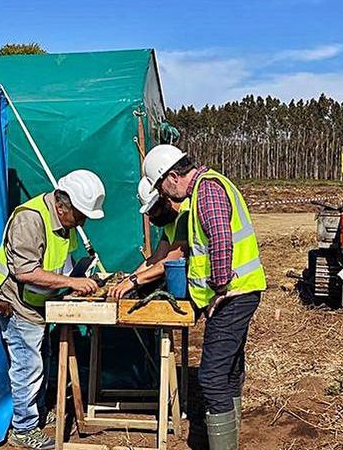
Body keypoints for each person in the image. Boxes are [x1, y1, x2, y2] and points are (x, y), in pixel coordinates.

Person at [143, 144, 266, 450]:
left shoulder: (207, 190)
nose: (166, 196)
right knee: (229, 369)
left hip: (232, 295)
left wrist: (219, 288)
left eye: (162, 187)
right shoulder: (207, 188)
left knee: (211, 377)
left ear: (173, 176)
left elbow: (221, 240)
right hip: (242, 291)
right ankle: (231, 436)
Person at [0, 170, 106, 450]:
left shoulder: (65, 222)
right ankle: (24, 428)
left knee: (42, 358)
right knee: (28, 366)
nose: (83, 221)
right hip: (17, 304)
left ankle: (36, 411)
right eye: (80, 215)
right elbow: (26, 271)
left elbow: (58, 262)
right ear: (62, 206)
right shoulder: (30, 218)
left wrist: (76, 279)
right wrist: (72, 282)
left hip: (40, 303)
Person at [109, 176, 190, 299]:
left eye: (154, 210)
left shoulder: (186, 212)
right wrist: (128, 279)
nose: (154, 216)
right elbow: (157, 258)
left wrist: (133, 280)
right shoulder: (170, 222)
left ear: (165, 198)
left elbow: (168, 261)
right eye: (150, 212)